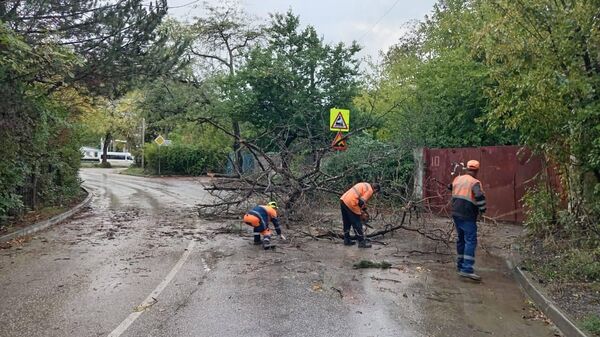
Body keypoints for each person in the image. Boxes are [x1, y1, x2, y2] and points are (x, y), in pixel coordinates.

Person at [449, 160, 487, 281]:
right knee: (470, 241)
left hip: (456, 213)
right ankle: (467, 269)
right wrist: (483, 209)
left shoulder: (458, 179)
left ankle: (460, 266)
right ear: (477, 170)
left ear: (466, 169)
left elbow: (450, 187)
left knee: (461, 240)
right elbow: (479, 197)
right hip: (468, 215)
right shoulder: (475, 182)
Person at [340, 182, 380, 248]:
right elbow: (361, 202)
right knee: (357, 223)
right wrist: (361, 212)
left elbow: (359, 198)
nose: (373, 194)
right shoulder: (370, 190)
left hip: (343, 199)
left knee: (346, 222)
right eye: (375, 193)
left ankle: (346, 240)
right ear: (375, 189)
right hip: (351, 202)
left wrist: (364, 209)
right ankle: (361, 242)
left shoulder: (364, 184)